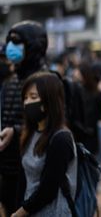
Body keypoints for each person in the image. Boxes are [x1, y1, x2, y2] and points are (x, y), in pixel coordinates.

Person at [12, 72, 77, 217]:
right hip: (29, 211)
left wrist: (20, 213)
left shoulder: (61, 139)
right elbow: (23, 179)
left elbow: (48, 190)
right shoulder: (31, 133)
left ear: (50, 100)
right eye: (25, 98)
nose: (27, 102)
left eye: (33, 97)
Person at [0, 21, 48, 216]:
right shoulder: (10, 82)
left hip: (34, 167)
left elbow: (51, 125)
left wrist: (16, 131)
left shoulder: (47, 81)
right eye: (10, 41)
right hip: (8, 165)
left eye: (17, 42)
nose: (11, 47)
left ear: (34, 45)